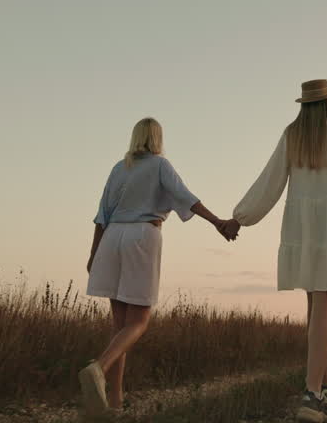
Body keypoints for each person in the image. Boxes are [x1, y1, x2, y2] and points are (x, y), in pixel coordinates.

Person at [222, 80, 327, 422]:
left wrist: (240, 218)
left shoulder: (293, 134)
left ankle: (320, 378)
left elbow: (270, 181)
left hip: (303, 221)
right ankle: (312, 395)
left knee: (314, 300)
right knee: (324, 301)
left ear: (304, 104)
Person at [79, 117, 236, 420]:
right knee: (139, 322)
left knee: (119, 325)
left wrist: (93, 254)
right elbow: (188, 198)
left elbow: (101, 215)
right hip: (142, 236)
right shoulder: (160, 165)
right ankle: (98, 368)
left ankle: (114, 403)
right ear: (157, 138)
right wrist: (218, 222)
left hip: (112, 238)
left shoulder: (118, 168)